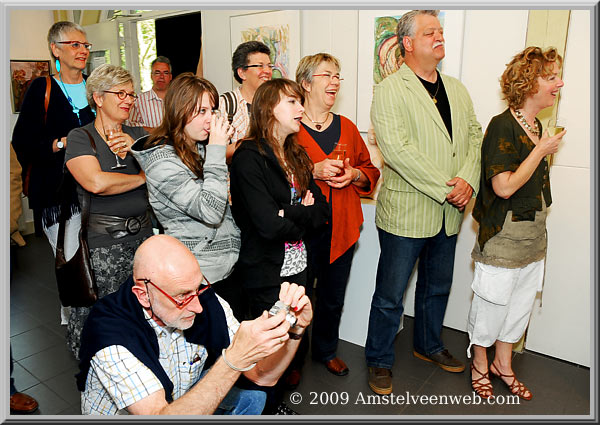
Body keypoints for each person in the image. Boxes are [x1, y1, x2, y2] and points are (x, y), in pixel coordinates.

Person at [365, 10, 483, 395]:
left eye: (441, 30)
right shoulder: (389, 90)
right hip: (408, 211)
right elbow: (398, 150)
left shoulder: (456, 88)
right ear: (408, 43)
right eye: (430, 31)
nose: (439, 36)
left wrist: (466, 179)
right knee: (390, 295)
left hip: (449, 213)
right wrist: (447, 187)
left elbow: (475, 136)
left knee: (437, 287)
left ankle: (428, 346)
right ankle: (379, 361)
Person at [77, 234, 312, 415]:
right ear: (143, 295)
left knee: (255, 398)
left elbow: (263, 376)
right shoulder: (110, 334)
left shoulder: (203, 299)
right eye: (182, 296)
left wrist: (296, 329)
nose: (198, 307)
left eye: (197, 288)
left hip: (176, 400)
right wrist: (233, 360)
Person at [467, 46, 565, 401]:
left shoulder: (536, 125)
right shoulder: (501, 126)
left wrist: (540, 144)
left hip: (533, 236)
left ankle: (502, 365)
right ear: (528, 83)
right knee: (491, 305)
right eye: (551, 77)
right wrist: (540, 151)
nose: (560, 83)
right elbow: (503, 186)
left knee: (520, 305)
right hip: (504, 237)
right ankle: (480, 364)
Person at [229, 78, 329, 413]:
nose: (302, 109)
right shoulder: (248, 157)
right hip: (265, 272)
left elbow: (322, 213)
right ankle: (258, 409)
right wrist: (303, 211)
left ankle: (274, 407)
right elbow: (268, 224)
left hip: (299, 267)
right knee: (264, 350)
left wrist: (292, 211)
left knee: (291, 344)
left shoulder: (295, 153)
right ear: (269, 108)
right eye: (292, 102)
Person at [131, 73, 244, 319]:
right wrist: (217, 148)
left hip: (227, 267)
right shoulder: (161, 160)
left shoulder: (198, 148)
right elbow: (210, 210)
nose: (210, 119)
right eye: (201, 111)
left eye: (212, 110)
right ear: (179, 110)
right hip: (197, 276)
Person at [295, 53, 380, 377]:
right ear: (306, 83)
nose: (334, 82)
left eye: (337, 76)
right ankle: (293, 359)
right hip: (301, 230)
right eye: (327, 75)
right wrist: (311, 169)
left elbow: (368, 169)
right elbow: (275, 174)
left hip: (341, 227)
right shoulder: (289, 127)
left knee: (332, 297)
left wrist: (354, 176)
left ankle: (326, 350)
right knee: (298, 298)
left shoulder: (347, 128)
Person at [64, 64, 153, 359]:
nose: (128, 99)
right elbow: (96, 182)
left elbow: (171, 166)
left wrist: (138, 149)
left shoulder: (138, 134)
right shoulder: (81, 137)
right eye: (121, 93)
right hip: (104, 248)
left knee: (144, 318)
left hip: (144, 241)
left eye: (132, 94)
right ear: (99, 98)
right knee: (105, 322)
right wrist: (142, 178)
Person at [11, 21, 95, 325]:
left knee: (97, 259)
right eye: (74, 45)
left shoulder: (94, 85)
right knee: (72, 260)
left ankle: (97, 315)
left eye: (85, 45)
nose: (82, 51)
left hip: (95, 188)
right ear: (55, 49)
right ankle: (75, 320)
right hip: (59, 195)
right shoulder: (41, 89)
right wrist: (60, 143)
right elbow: (23, 142)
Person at [219, 41, 273, 161]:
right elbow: (216, 153)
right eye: (260, 66)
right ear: (242, 73)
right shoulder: (225, 105)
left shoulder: (276, 104)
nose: (267, 71)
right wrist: (251, 143)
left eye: (269, 66)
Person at [126, 56, 172, 132]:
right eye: (157, 73)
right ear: (151, 76)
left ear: (170, 77)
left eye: (165, 73)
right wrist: (156, 132)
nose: (161, 77)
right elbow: (131, 126)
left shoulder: (179, 99)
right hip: (150, 143)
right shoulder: (138, 100)